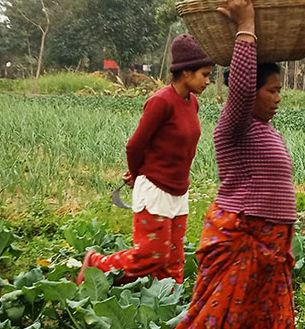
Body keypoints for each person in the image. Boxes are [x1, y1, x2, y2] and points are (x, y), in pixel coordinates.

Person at [134, 0, 305, 329]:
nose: (278, 98)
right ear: (252, 92)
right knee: (211, 315)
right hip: (242, 237)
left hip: (271, 247)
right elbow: (239, 88)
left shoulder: (266, 131)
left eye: (280, 90)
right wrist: (246, 27)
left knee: (278, 320)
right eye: (272, 90)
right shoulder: (234, 124)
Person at [76, 34, 213, 285]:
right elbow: (135, 145)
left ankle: (167, 310)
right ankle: (96, 264)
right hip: (155, 188)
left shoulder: (192, 103)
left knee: (173, 259)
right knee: (151, 256)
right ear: (186, 73)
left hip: (179, 190)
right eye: (204, 74)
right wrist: (137, 174)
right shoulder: (161, 102)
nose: (208, 81)